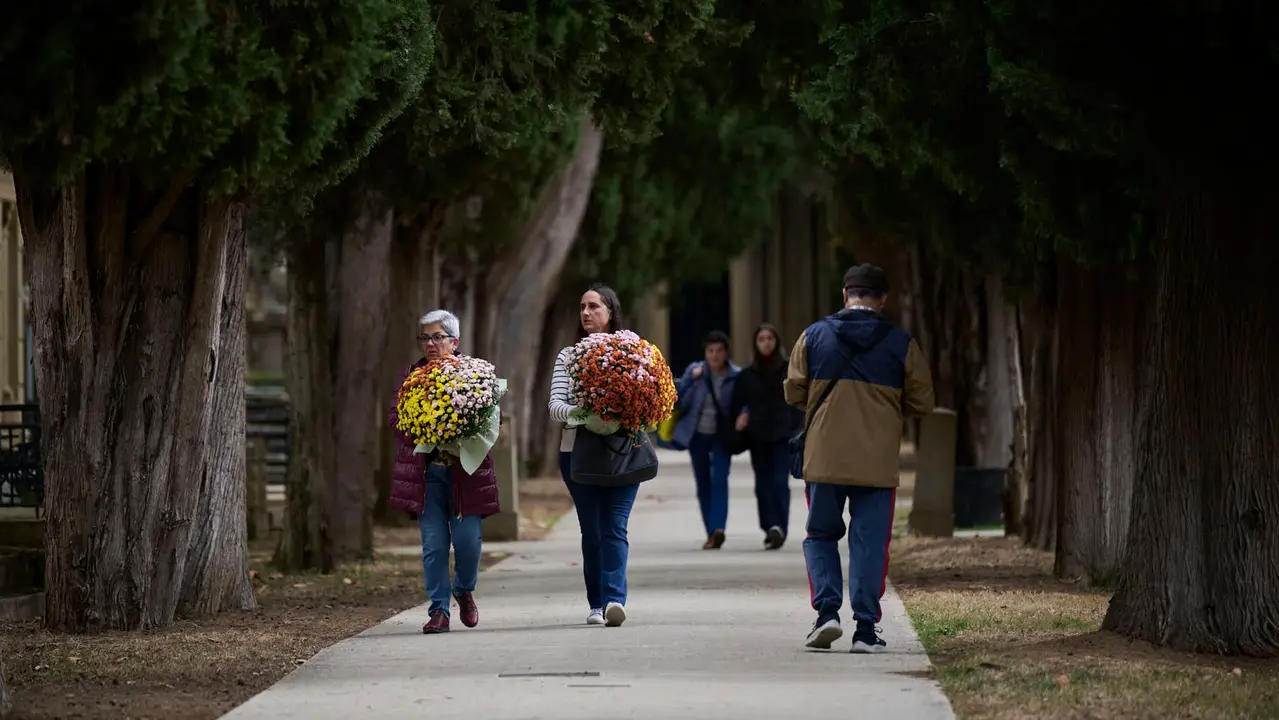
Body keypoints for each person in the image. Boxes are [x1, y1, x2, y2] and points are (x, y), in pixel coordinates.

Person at [784, 264, 934, 653]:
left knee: (820, 535)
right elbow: (923, 400)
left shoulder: (813, 336)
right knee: (869, 544)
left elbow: (793, 391)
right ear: (883, 298)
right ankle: (866, 630)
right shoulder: (902, 343)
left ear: (845, 293)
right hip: (876, 463)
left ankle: (827, 614)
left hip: (824, 457)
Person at [388, 309, 500, 635]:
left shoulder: (474, 375)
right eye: (425, 338)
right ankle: (438, 610)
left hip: (466, 474)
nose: (431, 344)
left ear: (455, 341)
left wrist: (459, 430)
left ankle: (464, 589)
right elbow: (396, 421)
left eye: (438, 337)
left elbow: (494, 416)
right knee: (434, 545)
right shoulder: (410, 376)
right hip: (426, 476)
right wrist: (428, 429)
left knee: (468, 543)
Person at [548, 283, 639, 627]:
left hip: (623, 453)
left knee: (615, 527)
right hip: (577, 455)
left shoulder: (634, 353)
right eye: (582, 306)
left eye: (594, 306)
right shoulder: (568, 356)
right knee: (593, 530)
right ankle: (596, 603)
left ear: (611, 311)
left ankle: (615, 599)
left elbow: (650, 399)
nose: (586, 313)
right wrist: (590, 413)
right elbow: (555, 407)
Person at [730, 323, 803, 550]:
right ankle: (769, 526)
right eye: (761, 339)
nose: (766, 343)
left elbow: (798, 400)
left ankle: (779, 526)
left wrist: (793, 425)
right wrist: (742, 416)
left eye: (770, 338)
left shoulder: (787, 370)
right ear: (755, 343)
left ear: (776, 341)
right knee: (763, 485)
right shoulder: (747, 376)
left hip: (782, 435)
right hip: (758, 436)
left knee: (780, 482)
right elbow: (737, 403)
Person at [673, 330, 741, 550]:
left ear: (726, 353)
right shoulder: (695, 372)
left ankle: (718, 528)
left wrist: (744, 415)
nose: (715, 355)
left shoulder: (735, 375)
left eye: (719, 351)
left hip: (722, 436)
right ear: (705, 353)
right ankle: (712, 533)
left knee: (720, 480)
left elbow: (745, 400)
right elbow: (678, 400)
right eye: (711, 351)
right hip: (698, 436)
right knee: (703, 483)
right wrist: (690, 381)